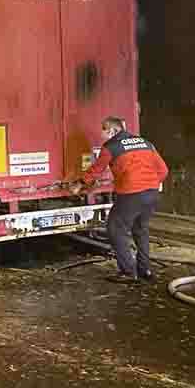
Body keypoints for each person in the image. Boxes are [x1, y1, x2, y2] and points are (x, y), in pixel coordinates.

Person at [72, 116, 169, 283]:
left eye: (103, 129)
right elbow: (163, 170)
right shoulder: (145, 143)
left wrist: (80, 184)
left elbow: (96, 170)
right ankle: (145, 270)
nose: (102, 133)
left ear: (113, 130)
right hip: (152, 192)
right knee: (141, 229)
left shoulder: (111, 147)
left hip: (131, 193)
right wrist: (150, 183)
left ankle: (128, 272)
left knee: (115, 229)